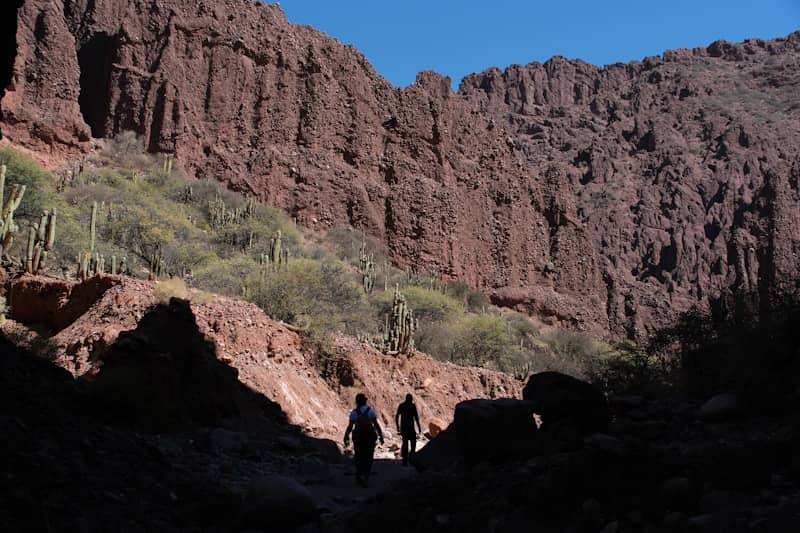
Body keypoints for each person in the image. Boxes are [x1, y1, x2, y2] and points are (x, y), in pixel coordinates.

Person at [343, 393, 384, 487]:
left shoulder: (354, 412)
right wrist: (381, 436)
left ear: (356, 401)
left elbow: (350, 426)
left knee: (358, 456)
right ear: (365, 401)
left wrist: (346, 436)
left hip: (358, 438)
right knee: (369, 456)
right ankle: (366, 474)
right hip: (369, 437)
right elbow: (376, 425)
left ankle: (359, 474)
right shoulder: (370, 411)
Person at [395, 393, 421, 466]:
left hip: (404, 428)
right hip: (411, 428)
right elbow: (416, 417)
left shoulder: (401, 406)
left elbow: (397, 416)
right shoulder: (412, 406)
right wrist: (419, 428)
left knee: (405, 443)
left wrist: (397, 426)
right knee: (413, 443)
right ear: (411, 399)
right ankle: (412, 457)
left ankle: (405, 460)